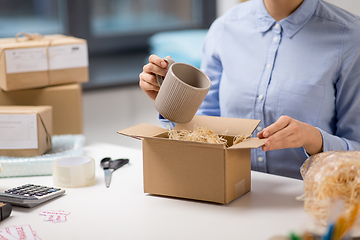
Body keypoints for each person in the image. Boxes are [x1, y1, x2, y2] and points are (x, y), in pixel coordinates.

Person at [139, 0, 360, 179]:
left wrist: (315, 139)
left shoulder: (349, 37)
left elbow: (356, 152)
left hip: (311, 207)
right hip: (229, 197)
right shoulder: (224, 28)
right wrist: (172, 100)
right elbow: (205, 131)